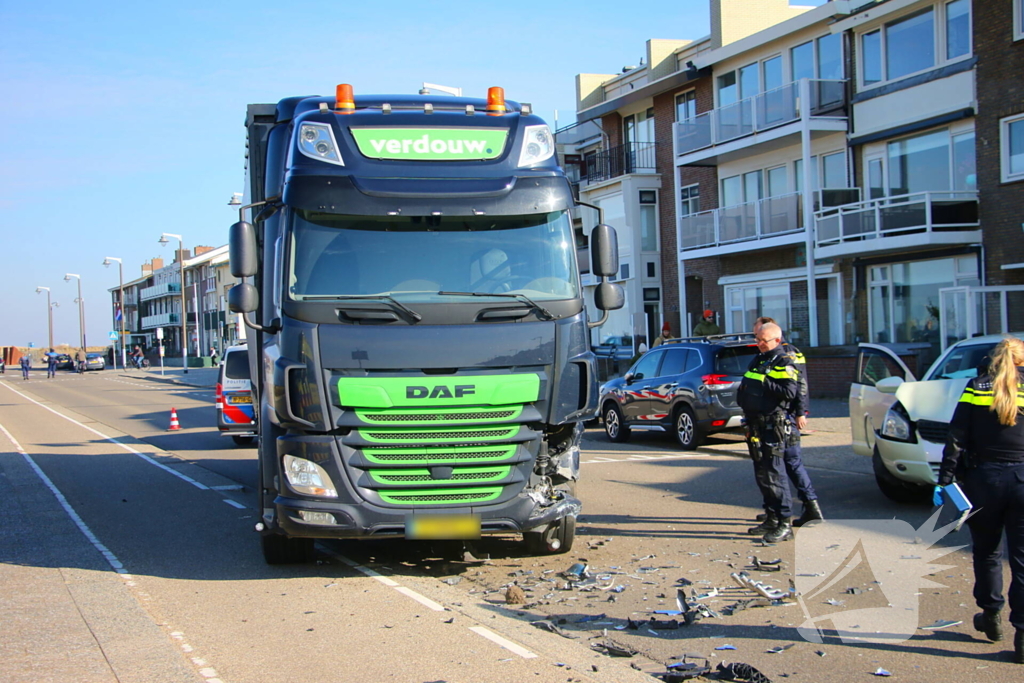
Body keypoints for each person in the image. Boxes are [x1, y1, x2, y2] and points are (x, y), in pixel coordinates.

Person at [938, 336, 1024, 664]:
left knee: (987, 552)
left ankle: (991, 615)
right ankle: (1023, 636)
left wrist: (945, 479)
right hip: (1022, 479)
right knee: (1021, 560)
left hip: (983, 480)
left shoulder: (977, 386)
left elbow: (956, 437)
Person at [750, 317, 823, 528]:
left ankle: (809, 507)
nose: (758, 340)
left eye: (761, 336)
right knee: (774, 466)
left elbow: (799, 385)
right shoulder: (767, 355)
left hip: (786, 418)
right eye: (757, 336)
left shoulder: (788, 354)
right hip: (772, 417)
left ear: (775, 335)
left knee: (789, 464)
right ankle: (773, 510)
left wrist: (801, 413)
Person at [737, 322, 799, 543]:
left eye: (764, 341)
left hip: (773, 424)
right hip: (755, 424)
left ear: (776, 340)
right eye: (758, 340)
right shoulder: (760, 358)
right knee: (762, 474)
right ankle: (771, 518)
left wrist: (764, 380)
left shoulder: (783, 361)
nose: (760, 344)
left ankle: (785, 523)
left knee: (775, 475)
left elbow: (790, 392)